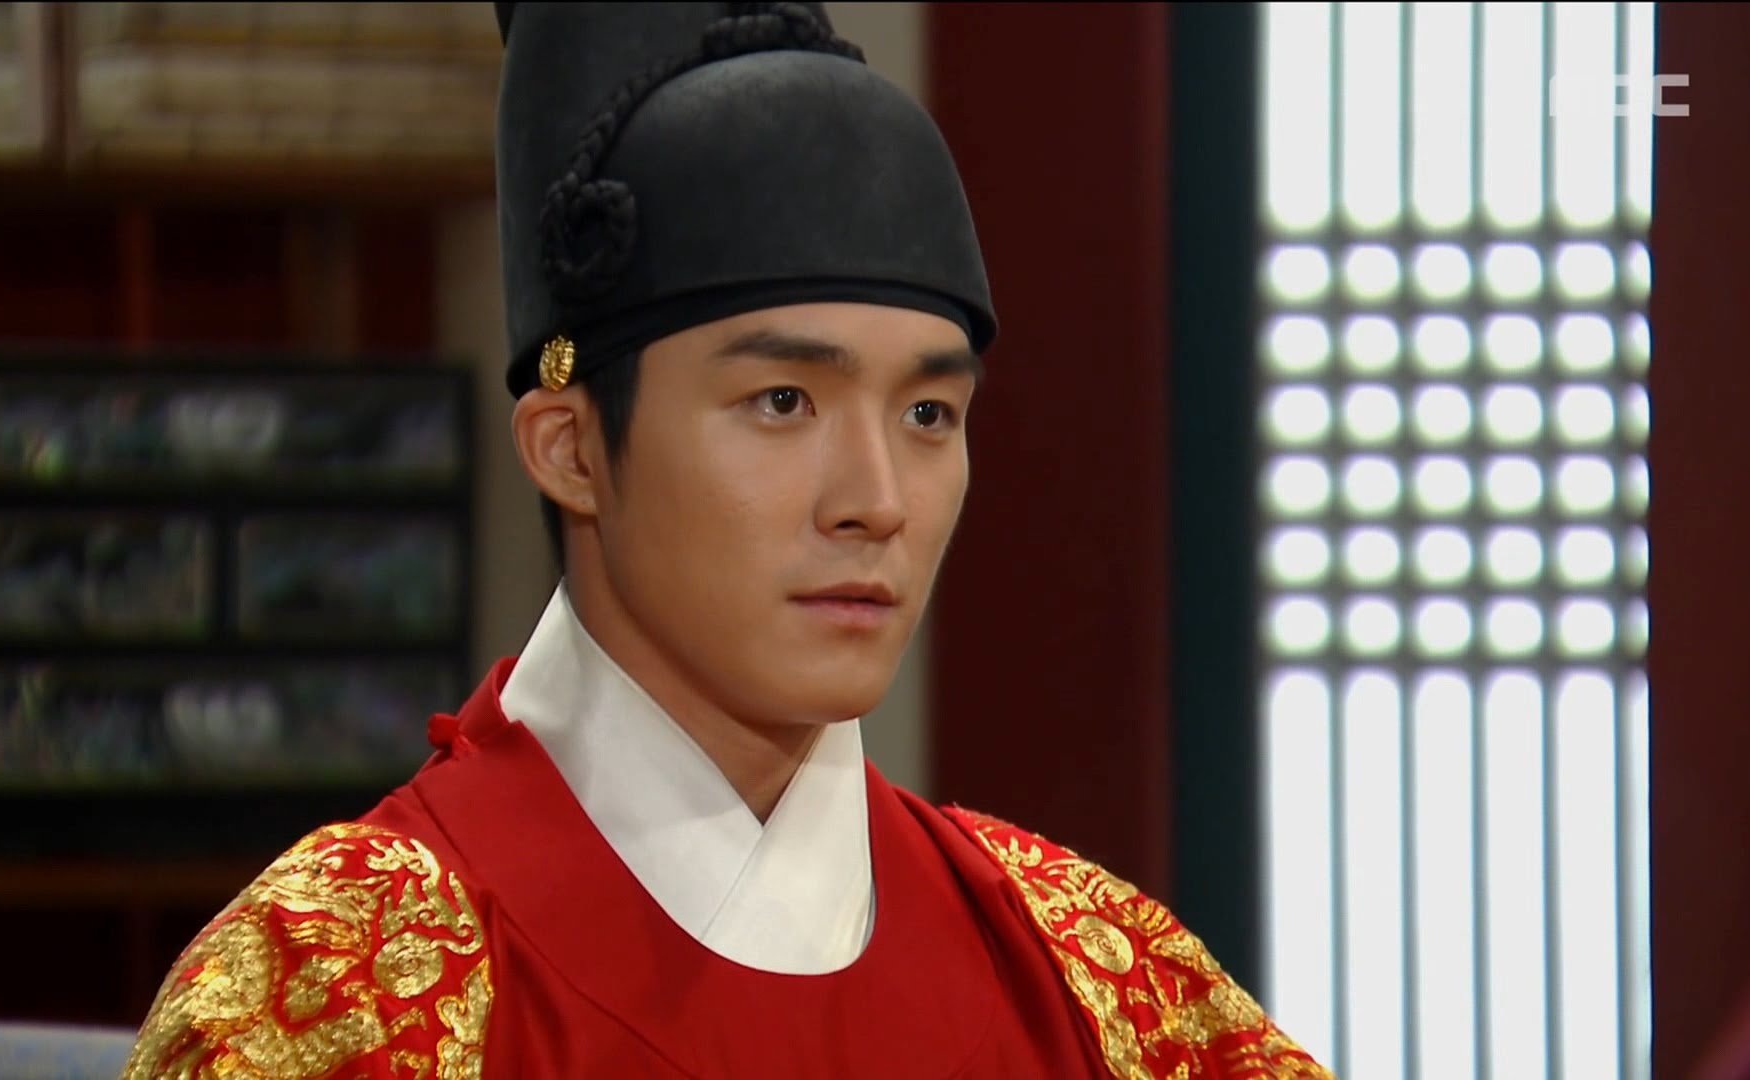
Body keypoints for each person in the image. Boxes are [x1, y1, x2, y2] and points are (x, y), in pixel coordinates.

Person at [120, 4, 1332, 1077]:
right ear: (571, 448)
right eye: (784, 402)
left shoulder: (1099, 982)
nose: (877, 499)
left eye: (928, 414)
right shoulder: (346, 994)